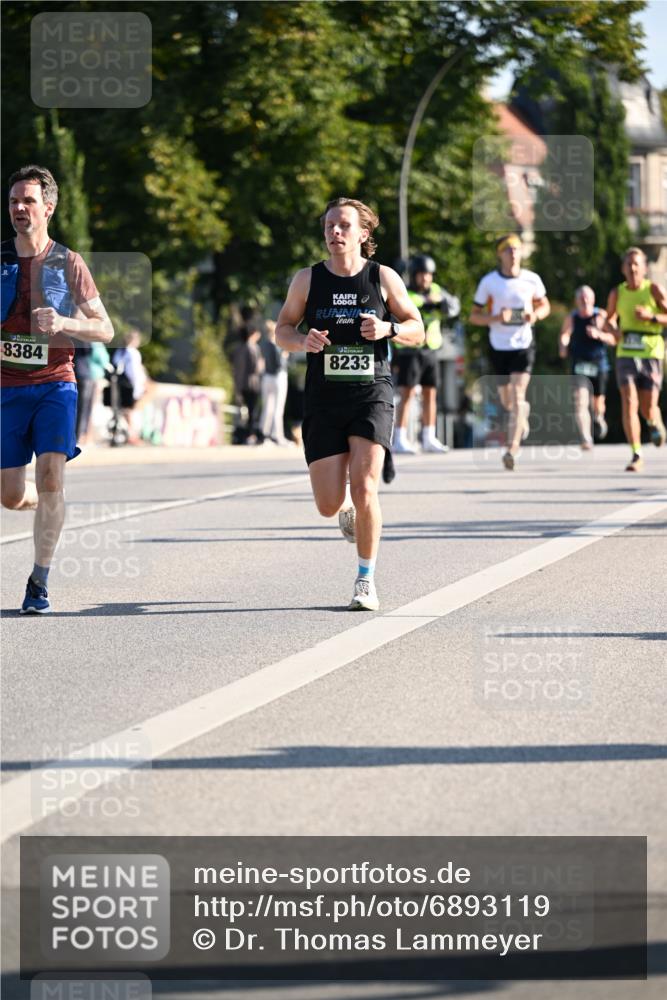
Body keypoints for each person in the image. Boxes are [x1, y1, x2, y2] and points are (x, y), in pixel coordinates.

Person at [275, 196, 424, 611]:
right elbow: (281, 330)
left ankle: (365, 580)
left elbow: (419, 329)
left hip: (370, 392)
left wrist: (388, 328)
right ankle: (343, 508)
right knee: (327, 505)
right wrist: (302, 340)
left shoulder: (383, 277)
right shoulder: (308, 280)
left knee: (365, 487)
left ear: (363, 233)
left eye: (343, 226)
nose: (334, 233)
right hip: (324, 397)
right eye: (328, 227)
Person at [1, 164, 113, 613]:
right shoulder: (0, 261)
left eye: (28, 201)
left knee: (51, 477)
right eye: (13, 202)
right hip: (7, 388)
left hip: (55, 384)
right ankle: (46, 509)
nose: (19, 209)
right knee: (11, 496)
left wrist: (65, 322)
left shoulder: (68, 263)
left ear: (48, 208)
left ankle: (38, 581)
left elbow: (105, 329)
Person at [469, 233, 550, 470]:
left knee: (517, 395)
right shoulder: (489, 282)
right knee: (508, 402)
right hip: (498, 346)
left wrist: (535, 315)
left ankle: (512, 449)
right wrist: (495, 317)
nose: (513, 253)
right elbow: (474, 316)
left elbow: (544, 305)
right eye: (508, 249)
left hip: (523, 344)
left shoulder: (532, 279)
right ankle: (520, 417)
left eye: (516, 249)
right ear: (500, 254)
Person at [603, 247, 667, 472]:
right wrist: (613, 330)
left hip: (651, 351)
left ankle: (654, 421)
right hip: (625, 353)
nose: (632, 268)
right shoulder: (617, 293)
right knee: (629, 401)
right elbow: (608, 320)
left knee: (648, 406)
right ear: (623, 269)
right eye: (628, 264)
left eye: (636, 264)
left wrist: (652, 316)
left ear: (644, 268)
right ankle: (636, 453)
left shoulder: (654, 290)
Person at [392, 254, 460, 454]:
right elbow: (402, 310)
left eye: (429, 275)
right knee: (408, 393)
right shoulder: (406, 293)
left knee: (431, 393)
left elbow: (453, 306)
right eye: (422, 275)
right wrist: (427, 305)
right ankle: (400, 438)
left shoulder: (437, 291)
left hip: (431, 350)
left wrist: (447, 307)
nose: (426, 279)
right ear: (414, 276)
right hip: (409, 350)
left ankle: (429, 437)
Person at [558, 286, 614, 449]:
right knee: (580, 402)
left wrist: (599, 334)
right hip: (579, 364)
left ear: (593, 299)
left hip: (599, 364)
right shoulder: (573, 317)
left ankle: (598, 417)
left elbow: (613, 338)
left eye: (587, 297)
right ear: (576, 301)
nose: (584, 300)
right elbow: (565, 334)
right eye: (581, 298)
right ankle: (585, 438)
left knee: (598, 403)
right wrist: (563, 344)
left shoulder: (601, 315)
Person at [232, 318, 264, 444]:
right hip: (252, 383)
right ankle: (250, 435)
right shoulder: (253, 348)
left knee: (241, 411)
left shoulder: (238, 348)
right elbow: (256, 367)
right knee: (252, 411)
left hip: (240, 383)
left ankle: (239, 436)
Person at [260, 319, 290, 445]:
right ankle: (277, 435)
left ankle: (264, 433)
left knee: (267, 407)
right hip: (278, 377)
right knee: (278, 408)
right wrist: (285, 356)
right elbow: (279, 363)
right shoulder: (276, 345)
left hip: (267, 376)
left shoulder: (264, 344)